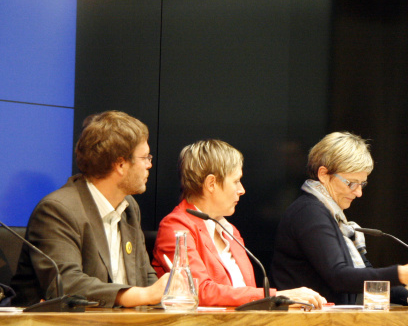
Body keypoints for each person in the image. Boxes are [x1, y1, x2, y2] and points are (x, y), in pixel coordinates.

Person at [11, 111, 168, 307]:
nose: (150, 165)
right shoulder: (58, 210)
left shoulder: (129, 207)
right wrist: (142, 296)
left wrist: (168, 295)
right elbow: (67, 285)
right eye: (145, 157)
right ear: (120, 164)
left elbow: (145, 277)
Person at [270, 132, 408, 305]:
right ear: (323, 174)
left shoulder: (333, 216)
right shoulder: (309, 212)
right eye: (351, 183)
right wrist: (401, 274)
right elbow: (339, 276)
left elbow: (366, 274)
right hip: (305, 323)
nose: (359, 193)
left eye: (362, 184)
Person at [152, 139, 326, 308]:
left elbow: (246, 294)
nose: (242, 190)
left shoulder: (230, 230)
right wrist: (278, 296)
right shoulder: (176, 227)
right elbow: (197, 292)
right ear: (211, 183)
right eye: (236, 181)